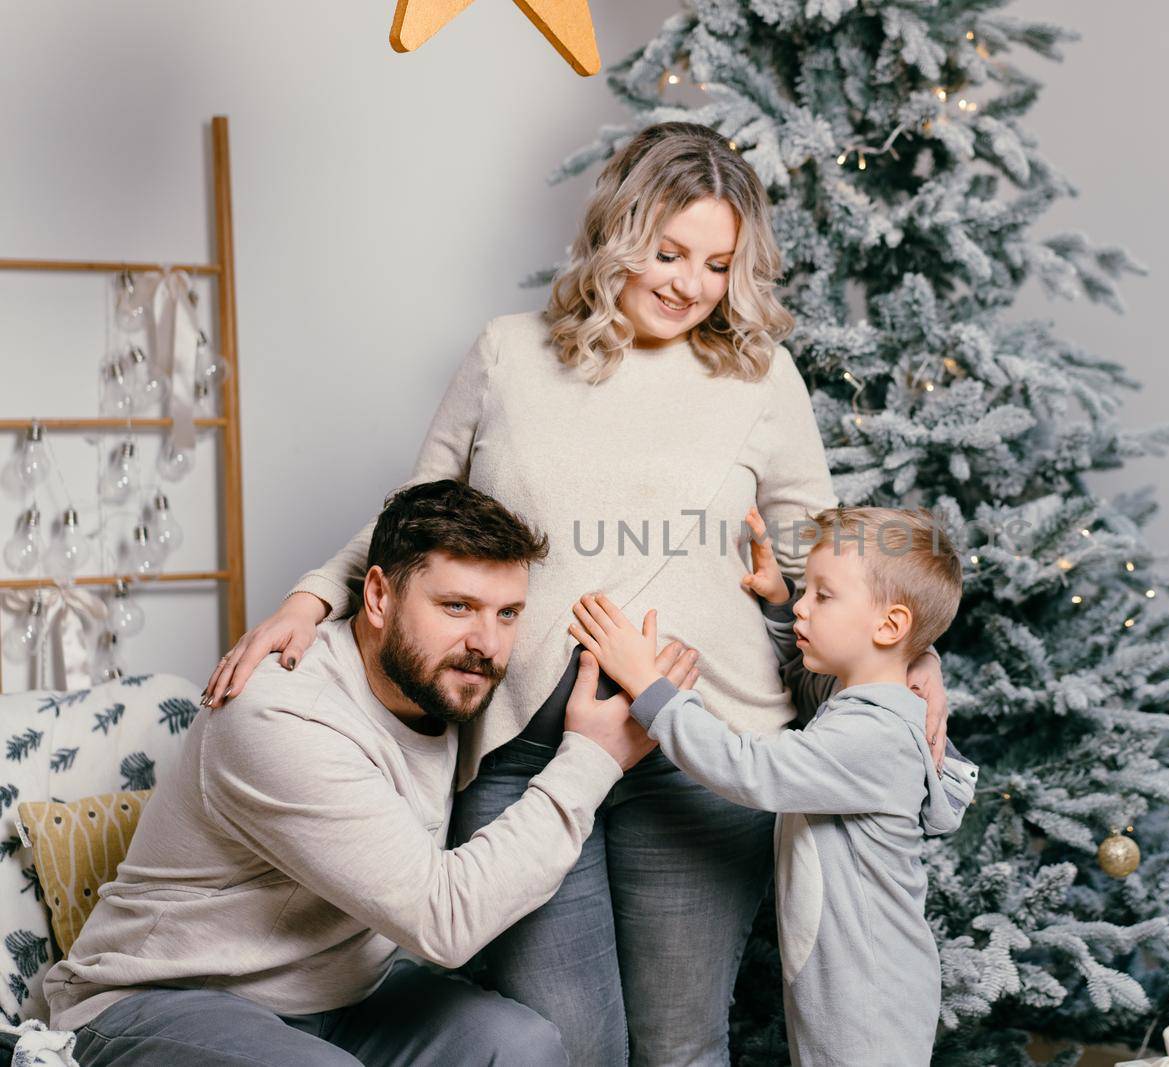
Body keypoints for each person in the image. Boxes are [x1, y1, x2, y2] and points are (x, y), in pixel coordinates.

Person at [198, 122, 951, 1065]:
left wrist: (912, 656)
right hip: (521, 749)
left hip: (703, 755)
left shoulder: (759, 377)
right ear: (616, 234)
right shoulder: (508, 353)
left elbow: (832, 556)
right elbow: (418, 517)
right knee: (567, 1047)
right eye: (668, 252)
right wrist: (314, 596)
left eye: (717, 264)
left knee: (681, 1046)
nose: (688, 284)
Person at [42, 480, 690, 1067]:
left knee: (523, 1045)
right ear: (377, 595)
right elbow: (445, 918)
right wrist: (594, 756)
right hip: (164, 999)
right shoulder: (280, 711)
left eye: (508, 613)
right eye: (457, 606)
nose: (487, 644)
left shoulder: (447, 678)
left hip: (343, 1000)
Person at [568, 504, 977, 1065]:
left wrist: (649, 683)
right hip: (845, 982)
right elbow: (810, 688)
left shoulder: (875, 735)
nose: (806, 604)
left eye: (823, 596)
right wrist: (783, 606)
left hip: (871, 995)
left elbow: (751, 768)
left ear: (889, 626)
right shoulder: (858, 704)